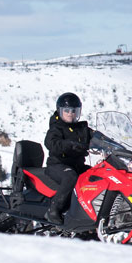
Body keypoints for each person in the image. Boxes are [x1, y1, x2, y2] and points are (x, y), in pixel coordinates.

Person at [44, 92, 95, 224]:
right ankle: (54, 210)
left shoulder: (82, 128)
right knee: (70, 177)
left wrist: (110, 142)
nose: (70, 113)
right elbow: (51, 143)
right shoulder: (56, 128)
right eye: (66, 110)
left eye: (74, 110)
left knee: (96, 175)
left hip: (77, 165)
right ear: (60, 111)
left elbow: (96, 136)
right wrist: (69, 145)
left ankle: (89, 211)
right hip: (57, 165)